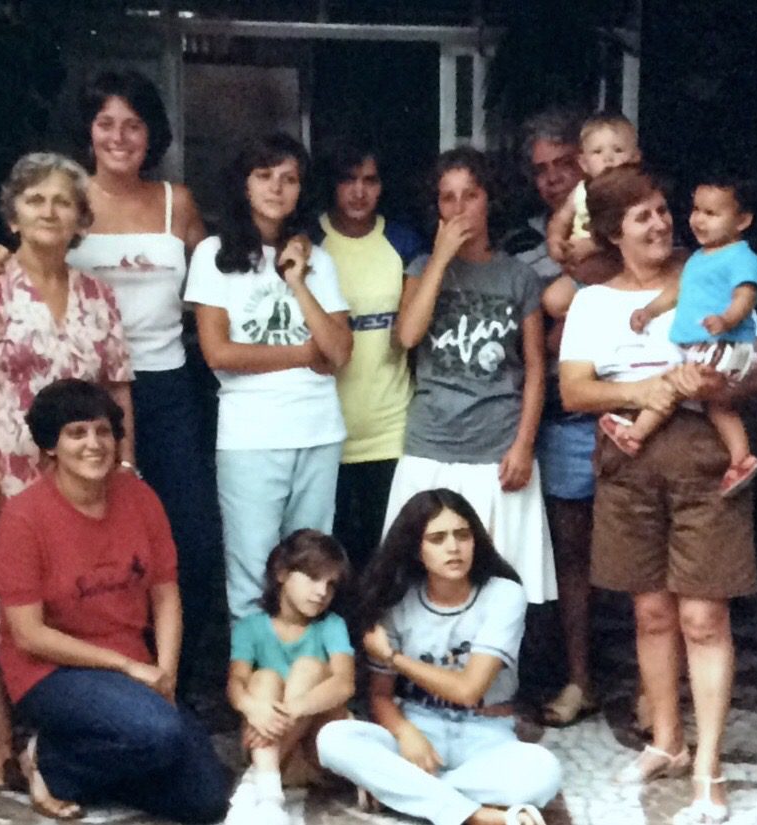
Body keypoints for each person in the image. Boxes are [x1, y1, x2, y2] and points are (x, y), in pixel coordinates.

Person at [0, 71, 219, 679]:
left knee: (191, 536)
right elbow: (31, 250)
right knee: (88, 534)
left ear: (151, 133)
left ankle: (171, 670)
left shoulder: (176, 204)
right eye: (106, 123)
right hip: (86, 397)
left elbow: (217, 282)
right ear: (88, 131)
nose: (119, 137)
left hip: (165, 385)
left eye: (133, 124)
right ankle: (96, 668)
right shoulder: (70, 204)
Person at [559, 164, 757, 825]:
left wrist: (719, 389)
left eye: (660, 210)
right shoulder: (592, 301)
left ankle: (706, 765)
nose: (658, 223)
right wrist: (639, 391)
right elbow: (573, 391)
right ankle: (667, 742)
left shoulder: (706, 275)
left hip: (702, 451)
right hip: (630, 459)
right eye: (641, 216)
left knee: (702, 618)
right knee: (649, 615)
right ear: (613, 233)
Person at [0, 152, 134, 789]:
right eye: (36, 200)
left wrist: (126, 465)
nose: (50, 211)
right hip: (4, 466)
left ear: (81, 218)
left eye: (62, 202)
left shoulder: (99, 295)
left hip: (82, 476)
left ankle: (57, 726)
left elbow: (117, 388)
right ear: (14, 214)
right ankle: (0, 730)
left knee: (71, 598)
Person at [0, 378, 229, 822]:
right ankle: (49, 761)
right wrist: (127, 668)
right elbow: (29, 635)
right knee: (158, 733)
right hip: (53, 671)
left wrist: (167, 674)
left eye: (103, 432)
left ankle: (83, 769)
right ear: (51, 446)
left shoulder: (139, 497)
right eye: (76, 433)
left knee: (207, 798)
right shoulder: (23, 519)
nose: (94, 444)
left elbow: (165, 592)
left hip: (133, 666)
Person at [316, 488, 562, 825]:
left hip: (487, 733)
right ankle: (475, 815)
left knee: (542, 772)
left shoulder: (504, 595)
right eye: (437, 538)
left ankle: (405, 793)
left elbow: (468, 690)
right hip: (420, 727)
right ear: (416, 550)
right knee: (334, 739)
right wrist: (405, 732)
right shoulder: (397, 602)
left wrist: (394, 658)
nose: (453, 547)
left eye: (463, 535)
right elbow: (380, 696)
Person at [184, 132, 353, 621]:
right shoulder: (215, 255)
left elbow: (339, 351)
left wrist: (296, 279)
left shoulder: (317, 261)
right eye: (264, 176)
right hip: (252, 435)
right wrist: (305, 353)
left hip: (319, 430)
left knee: (314, 566)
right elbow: (218, 352)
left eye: (290, 179)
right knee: (253, 567)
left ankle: (304, 678)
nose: (277, 188)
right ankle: (253, 683)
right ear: (243, 184)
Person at [386, 146, 556, 606]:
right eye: (447, 198)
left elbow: (536, 369)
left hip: (496, 448)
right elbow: (407, 335)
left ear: (489, 200)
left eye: (470, 195)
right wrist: (440, 261)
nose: (459, 208)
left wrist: (523, 445)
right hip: (431, 443)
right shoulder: (422, 269)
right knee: (421, 573)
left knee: (496, 577)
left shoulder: (518, 277)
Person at [502, 110, 599, 726]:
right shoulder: (516, 243)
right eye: (541, 169)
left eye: (565, 163)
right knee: (556, 556)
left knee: (612, 555)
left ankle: (615, 676)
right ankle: (565, 674)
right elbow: (524, 335)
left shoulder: (621, 228)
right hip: (547, 416)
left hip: (611, 410)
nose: (554, 177)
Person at [610, 173, 757, 496]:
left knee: (672, 383)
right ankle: (741, 458)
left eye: (712, 214)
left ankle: (634, 435)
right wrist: (649, 311)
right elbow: (677, 292)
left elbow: (745, 295)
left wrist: (726, 319)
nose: (699, 220)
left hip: (727, 344)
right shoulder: (698, 258)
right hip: (712, 344)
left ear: (743, 220)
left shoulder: (740, 257)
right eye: (696, 210)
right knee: (718, 406)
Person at [315, 138, 424, 569]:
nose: (359, 192)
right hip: (326, 427)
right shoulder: (308, 240)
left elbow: (409, 335)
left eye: (370, 180)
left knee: (390, 553)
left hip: (390, 426)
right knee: (335, 555)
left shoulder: (403, 241)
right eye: (348, 180)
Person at [225, 529, 355, 825]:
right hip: (271, 753)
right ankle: (269, 792)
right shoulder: (250, 627)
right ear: (282, 573)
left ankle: (255, 784)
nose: (322, 592)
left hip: (313, 755)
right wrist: (252, 708)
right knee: (263, 679)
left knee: (308, 667)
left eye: (331, 584)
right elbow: (236, 682)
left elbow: (345, 683)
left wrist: (295, 708)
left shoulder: (331, 625)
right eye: (313, 578)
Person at [545, 113, 641, 271]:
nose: (608, 158)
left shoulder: (633, 194)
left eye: (618, 150)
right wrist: (555, 240)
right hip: (578, 269)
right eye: (597, 152)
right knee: (553, 296)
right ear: (583, 163)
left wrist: (594, 245)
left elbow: (626, 232)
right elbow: (560, 220)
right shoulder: (580, 191)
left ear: (635, 157)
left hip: (617, 267)